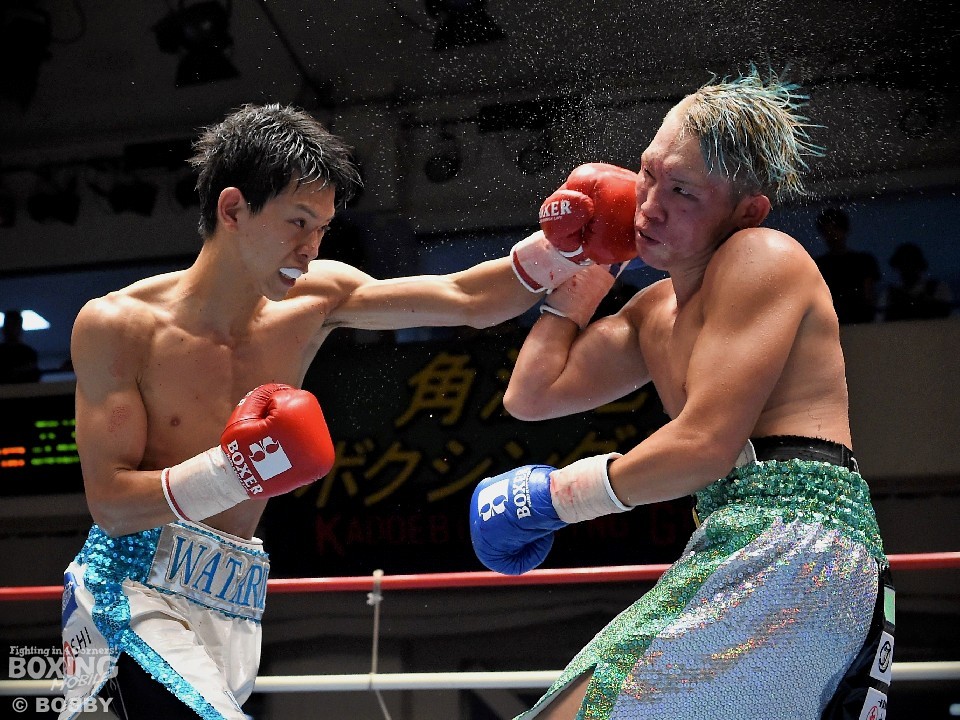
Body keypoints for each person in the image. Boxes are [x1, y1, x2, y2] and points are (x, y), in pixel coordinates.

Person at [59, 103, 632, 720]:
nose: (309, 249)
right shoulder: (120, 325)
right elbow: (111, 504)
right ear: (232, 210)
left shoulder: (315, 299)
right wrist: (235, 470)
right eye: (297, 222)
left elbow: (466, 298)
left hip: (235, 598)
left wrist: (565, 248)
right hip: (130, 592)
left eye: (322, 228)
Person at [470, 69, 892, 720]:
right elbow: (532, 394)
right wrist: (581, 271)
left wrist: (557, 498)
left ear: (746, 211)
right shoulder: (653, 311)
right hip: (751, 541)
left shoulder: (763, 256)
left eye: (683, 191)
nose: (649, 206)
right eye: (647, 174)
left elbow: (703, 445)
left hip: (793, 536)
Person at [814, 207, 881, 324]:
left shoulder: (864, 261)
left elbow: (869, 295)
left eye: (835, 229)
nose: (832, 235)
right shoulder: (818, 264)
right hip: (831, 322)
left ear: (845, 230)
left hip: (862, 322)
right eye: (826, 231)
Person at [883, 241, 953, 321]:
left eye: (911, 262)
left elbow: (947, 316)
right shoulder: (888, 295)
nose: (907, 268)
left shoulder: (938, 288)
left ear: (919, 265)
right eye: (902, 263)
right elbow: (881, 321)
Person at [0, 309, 41, 383]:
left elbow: (33, 378)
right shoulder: (29, 352)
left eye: (14, 326)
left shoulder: (29, 353)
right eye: (9, 326)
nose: (11, 330)